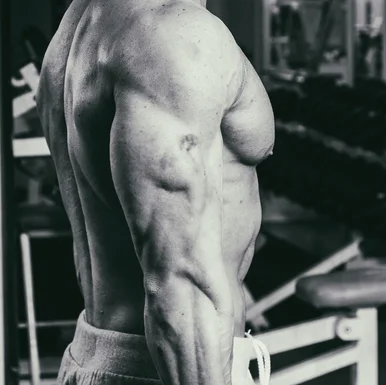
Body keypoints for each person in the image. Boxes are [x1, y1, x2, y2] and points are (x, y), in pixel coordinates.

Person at [36, 0, 275, 384]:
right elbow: (179, 286)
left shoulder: (75, 28)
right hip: (166, 370)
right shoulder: (174, 35)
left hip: (99, 353)